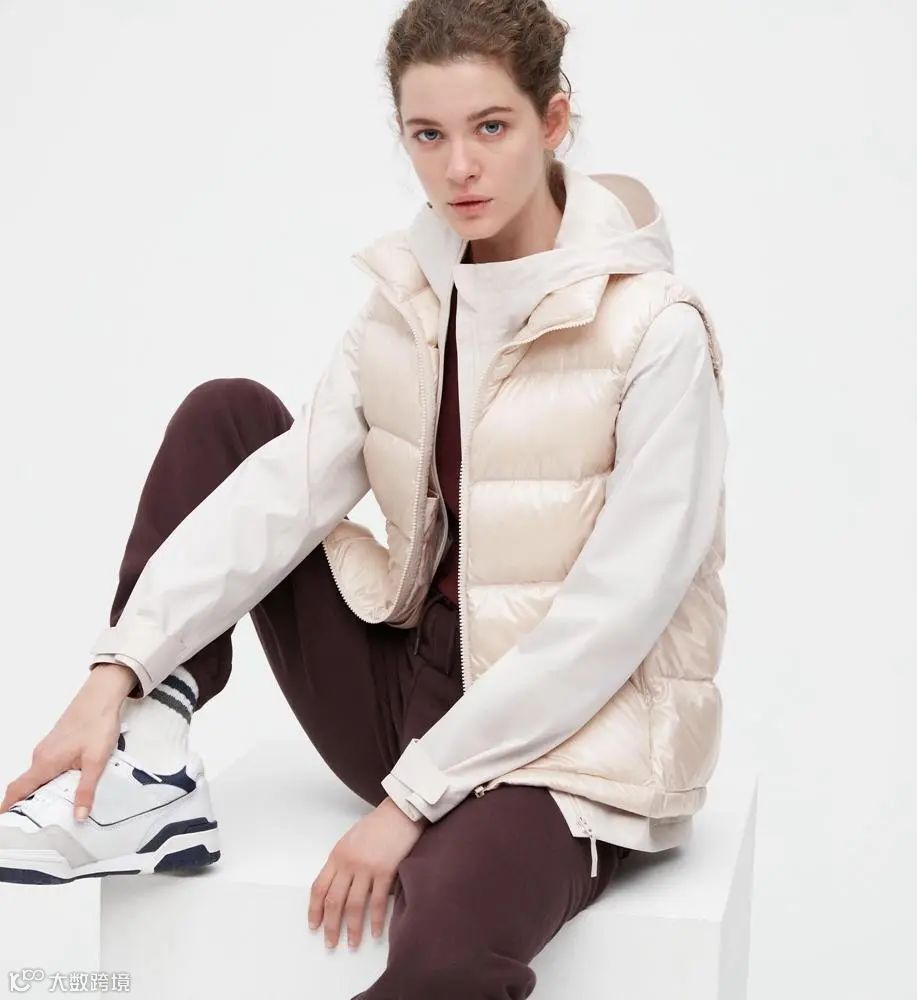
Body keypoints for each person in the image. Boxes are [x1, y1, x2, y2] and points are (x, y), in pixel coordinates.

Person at [0, 1, 729, 995]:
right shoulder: (410, 301)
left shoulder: (655, 331)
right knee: (230, 419)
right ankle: (153, 760)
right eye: (427, 135)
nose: (458, 167)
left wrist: (410, 802)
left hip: (570, 749)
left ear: (553, 121)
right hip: (405, 696)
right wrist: (117, 668)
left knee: (441, 941)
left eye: (491, 127)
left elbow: (614, 619)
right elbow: (286, 491)